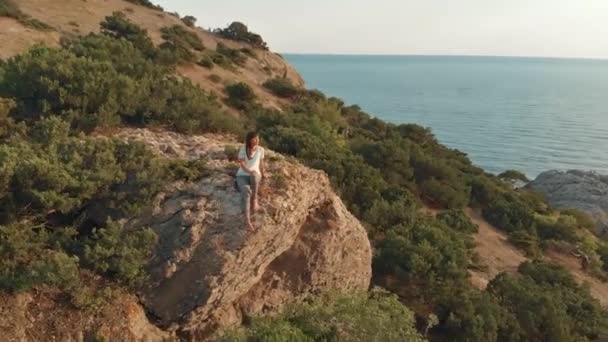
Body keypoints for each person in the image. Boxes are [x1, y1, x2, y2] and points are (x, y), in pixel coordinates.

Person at [235, 131, 265, 231]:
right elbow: (242, 164)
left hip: (255, 175)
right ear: (249, 140)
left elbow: (261, 164)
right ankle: (247, 221)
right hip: (242, 175)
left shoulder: (261, 150)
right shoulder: (243, 149)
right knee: (247, 191)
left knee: (255, 176)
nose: (256, 140)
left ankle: (255, 201)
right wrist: (249, 171)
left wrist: (263, 174)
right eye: (254, 139)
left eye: (258, 138)